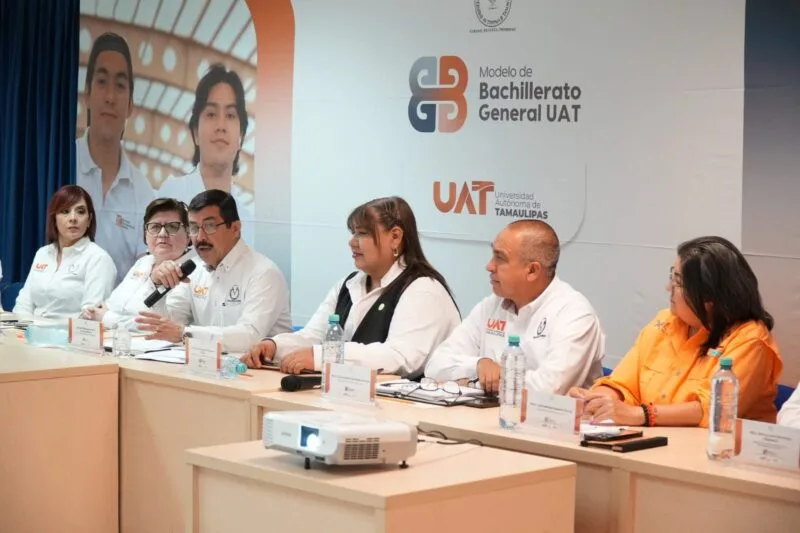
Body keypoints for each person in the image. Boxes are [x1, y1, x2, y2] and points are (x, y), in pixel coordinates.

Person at [570, 236, 782, 427]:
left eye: (678, 282)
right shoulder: (664, 322)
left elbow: (714, 409)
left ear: (708, 296)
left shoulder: (750, 339)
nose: (668, 287)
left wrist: (642, 414)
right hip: (652, 443)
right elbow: (622, 384)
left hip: (721, 450)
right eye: (672, 277)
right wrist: (597, 399)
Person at [241, 196, 461, 377]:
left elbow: (399, 357)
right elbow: (314, 336)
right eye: (353, 233)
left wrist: (322, 356)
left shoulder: (423, 289)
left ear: (395, 237)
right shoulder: (349, 285)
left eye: (362, 233)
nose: (352, 242)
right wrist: (274, 347)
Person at [424, 220, 604, 395]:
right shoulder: (491, 305)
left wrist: (473, 383)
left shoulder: (574, 313)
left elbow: (550, 390)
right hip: (490, 413)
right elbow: (434, 366)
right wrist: (479, 365)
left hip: (542, 416)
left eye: (500, 258)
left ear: (532, 271)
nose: (489, 266)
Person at [135, 190, 291, 352]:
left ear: (235, 228)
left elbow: (250, 336)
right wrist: (157, 286)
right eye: (194, 228)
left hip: (260, 366)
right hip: (207, 363)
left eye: (210, 226)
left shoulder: (263, 273)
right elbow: (169, 326)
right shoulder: (194, 270)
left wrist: (185, 334)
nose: (200, 237)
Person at [76, 32, 154, 282]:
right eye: (102, 82)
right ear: (87, 95)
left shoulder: (143, 192)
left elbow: (145, 272)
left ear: (130, 105)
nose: (110, 97)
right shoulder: (61, 165)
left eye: (120, 86)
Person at [157, 64, 254, 243]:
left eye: (230, 115)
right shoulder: (171, 195)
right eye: (211, 114)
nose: (221, 126)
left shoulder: (248, 222)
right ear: (195, 132)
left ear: (240, 136)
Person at [82, 198, 192, 331]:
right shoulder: (144, 262)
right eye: (155, 227)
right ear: (146, 235)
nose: (162, 234)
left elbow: (159, 327)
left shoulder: (190, 274)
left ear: (188, 235)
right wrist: (95, 312)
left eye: (172, 227)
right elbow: (111, 304)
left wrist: (107, 318)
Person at [13, 185, 116, 318]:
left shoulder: (98, 258)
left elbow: (90, 316)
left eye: (80, 212)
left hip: (69, 331)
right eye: (65, 211)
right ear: (54, 219)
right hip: (31, 328)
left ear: (89, 220)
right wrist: (20, 328)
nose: (73, 218)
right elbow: (24, 304)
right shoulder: (43, 253)